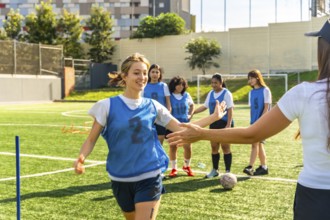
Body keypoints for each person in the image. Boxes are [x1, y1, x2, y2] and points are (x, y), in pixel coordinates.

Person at [168, 20, 330, 220]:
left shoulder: (305, 93)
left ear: (323, 51)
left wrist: (202, 133)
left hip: (315, 197)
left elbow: (251, 134)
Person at [73, 53, 226, 220]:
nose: (142, 77)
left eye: (144, 73)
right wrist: (81, 158)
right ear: (125, 76)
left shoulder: (154, 106)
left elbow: (182, 128)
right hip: (119, 178)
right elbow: (90, 140)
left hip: (149, 176)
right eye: (136, 73)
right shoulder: (106, 106)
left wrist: (213, 117)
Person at [193, 73, 234, 178]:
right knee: (214, 146)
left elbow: (230, 109)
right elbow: (205, 106)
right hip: (213, 123)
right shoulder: (211, 93)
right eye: (212, 83)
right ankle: (215, 170)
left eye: (215, 83)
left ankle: (228, 171)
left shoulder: (226, 93)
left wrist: (228, 124)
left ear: (221, 83)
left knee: (225, 147)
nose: (213, 85)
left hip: (225, 123)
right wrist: (193, 112)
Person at [243, 69, 272, 176]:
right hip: (254, 122)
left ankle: (250, 166)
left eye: (252, 78)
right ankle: (264, 167)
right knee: (259, 145)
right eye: (248, 79)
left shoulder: (265, 90)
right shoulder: (251, 93)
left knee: (254, 144)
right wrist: (252, 122)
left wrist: (260, 121)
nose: (250, 80)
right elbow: (252, 109)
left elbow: (266, 107)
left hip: (263, 122)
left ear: (258, 78)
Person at [167, 76, 195, 177]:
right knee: (173, 146)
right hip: (173, 124)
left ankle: (187, 166)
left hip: (185, 124)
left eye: (182, 84)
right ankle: (174, 168)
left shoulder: (186, 95)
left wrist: (190, 114)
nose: (180, 86)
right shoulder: (169, 96)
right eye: (178, 84)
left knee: (187, 146)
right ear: (174, 85)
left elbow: (192, 105)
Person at [143, 64, 171, 145]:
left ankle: (158, 158)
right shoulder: (144, 86)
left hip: (160, 117)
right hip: (148, 117)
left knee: (159, 142)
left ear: (160, 74)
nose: (155, 74)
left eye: (157, 72)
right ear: (149, 73)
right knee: (148, 142)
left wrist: (168, 113)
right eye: (152, 72)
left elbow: (168, 102)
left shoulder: (164, 86)